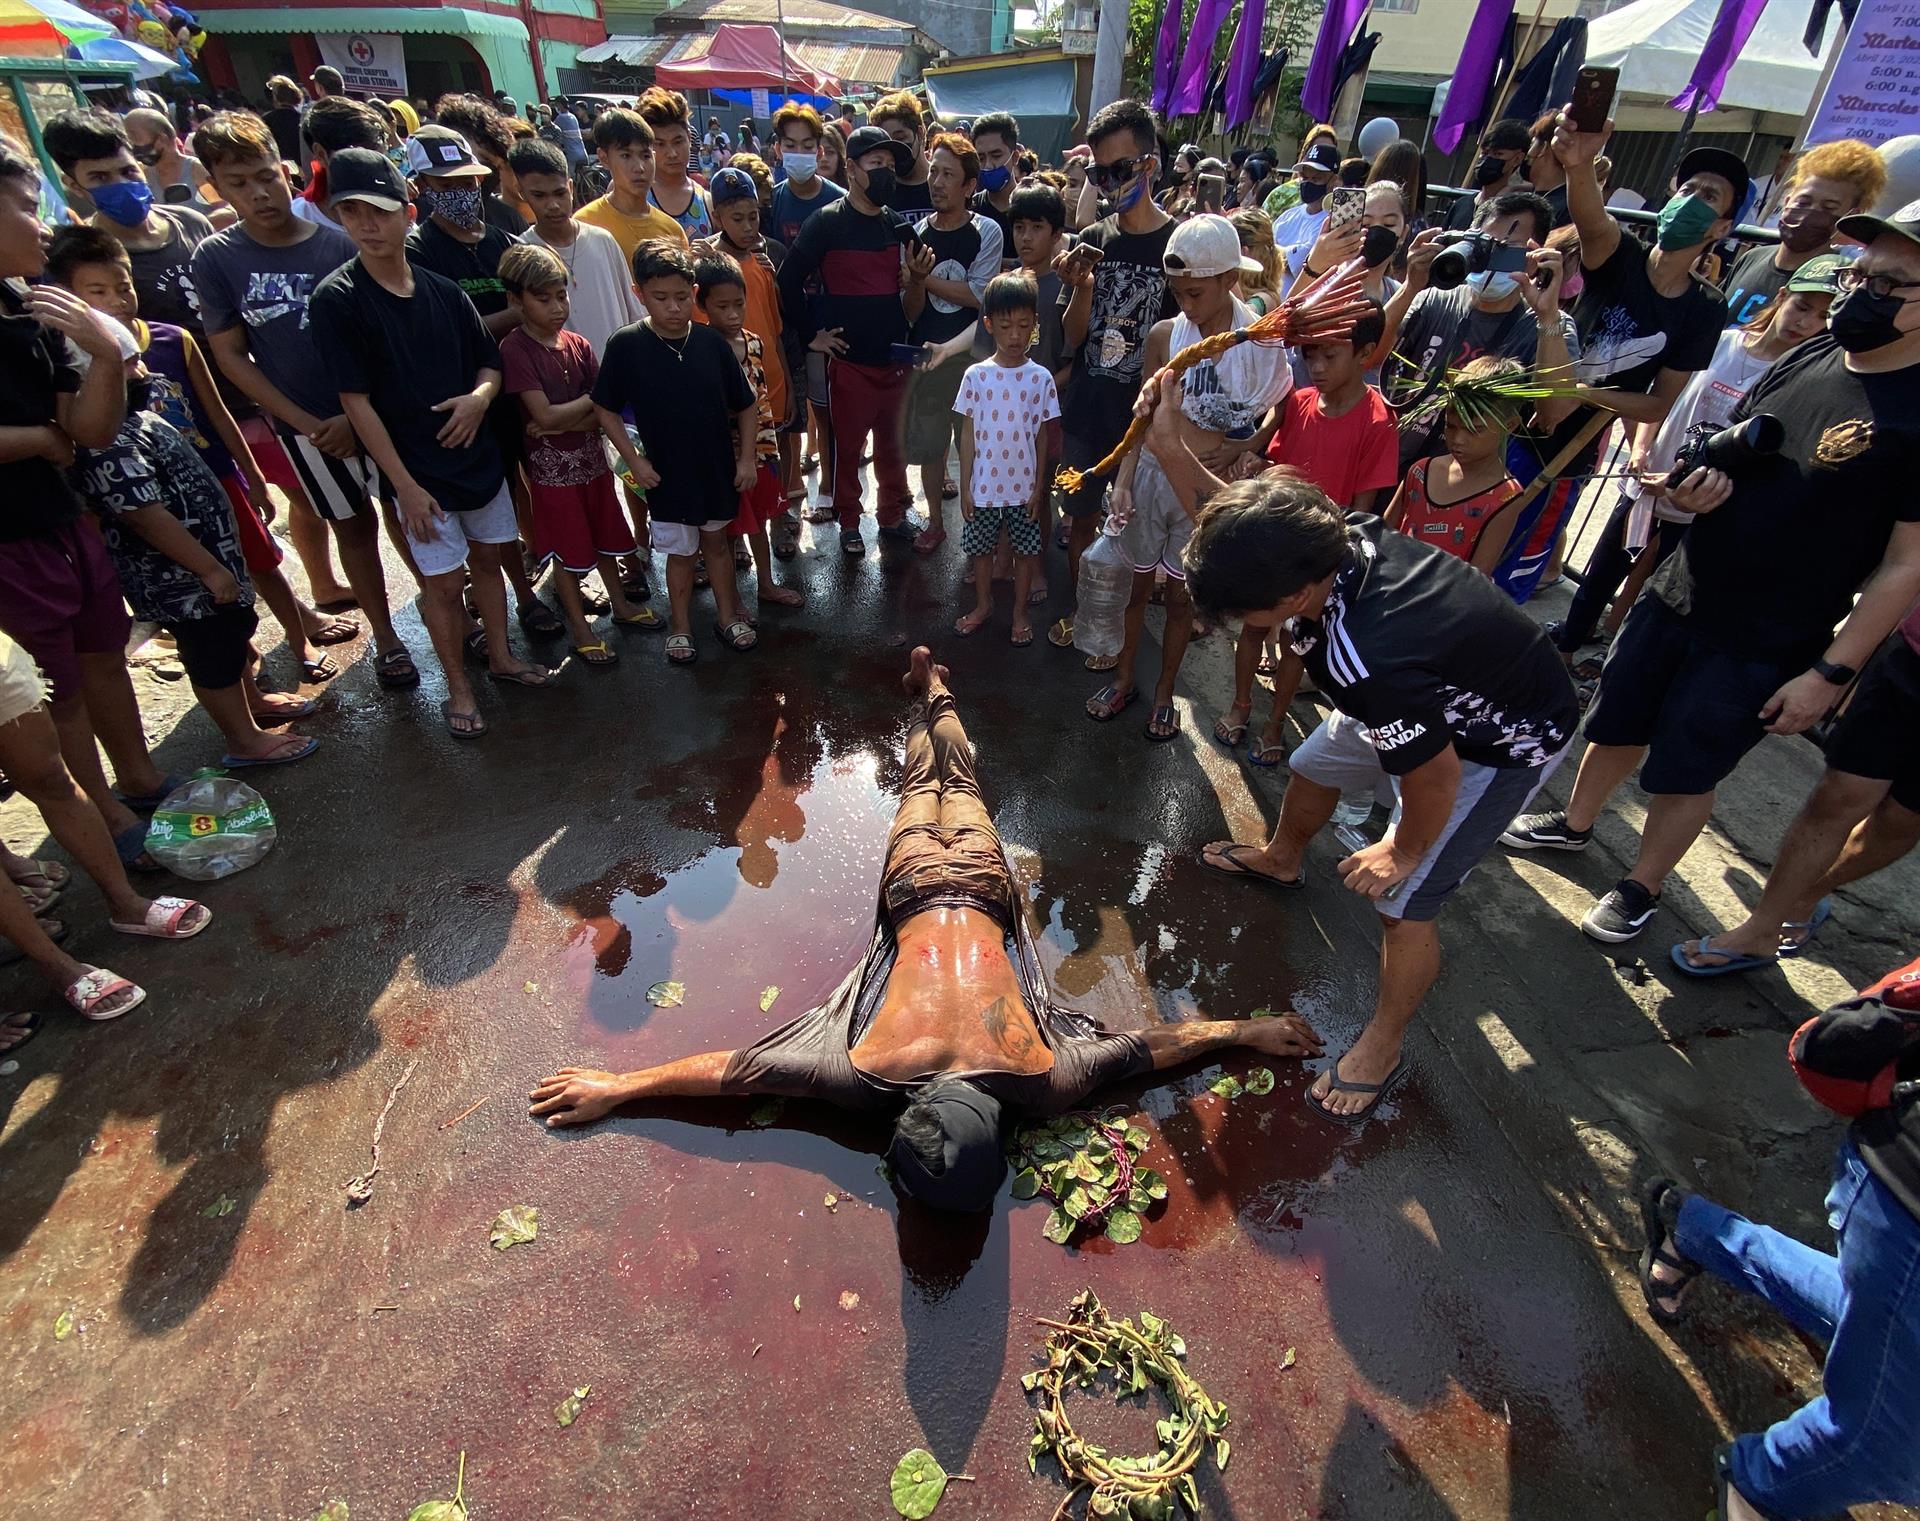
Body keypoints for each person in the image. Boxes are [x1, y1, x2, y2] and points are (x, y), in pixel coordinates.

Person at [529, 645, 1326, 1205]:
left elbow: (1152, 1049)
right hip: (922, 876)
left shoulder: (1041, 1077)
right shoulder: (866, 1075)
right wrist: (618, 1088)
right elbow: (736, 1071)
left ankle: (935, 695)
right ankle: (934, 692)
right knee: (930, 776)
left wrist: (1242, 1031)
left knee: (952, 774)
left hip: (971, 874)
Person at [1145, 387, 1579, 1124]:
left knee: (1404, 906)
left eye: (1243, 610)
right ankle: (1285, 857)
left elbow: (1436, 775)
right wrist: (1168, 447)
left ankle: (1383, 1039)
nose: (1233, 621)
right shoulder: (1321, 531)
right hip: (1421, 690)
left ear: (1291, 597)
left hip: (1495, 738)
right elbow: (1244, 535)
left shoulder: (1365, 655)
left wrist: (1402, 850)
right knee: (1315, 763)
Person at [1502, 203, 1920, 945]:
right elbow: (1741, 450)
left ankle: (1641, 886)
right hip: (1683, 581)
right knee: (1617, 717)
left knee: (1689, 763)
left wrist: (1832, 670)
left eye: (1890, 283)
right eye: (1860, 274)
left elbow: (1903, 566)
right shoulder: (1814, 354)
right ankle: (1572, 823)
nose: (1860, 292)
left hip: (1769, 632)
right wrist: (1692, 488)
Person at [1636, 959, 1920, 1518]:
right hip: (1908, 1188)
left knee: (1873, 1322)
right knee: (1888, 1446)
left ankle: (1692, 1229)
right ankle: (1758, 1485)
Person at [0, 135, 198, 870]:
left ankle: (137, 776)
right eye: (26, 207)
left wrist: (107, 353)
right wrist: (37, 441)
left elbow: (87, 428)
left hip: (62, 516)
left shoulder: (30, 308)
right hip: (11, 539)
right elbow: (55, 434)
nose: (43, 224)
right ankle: (104, 812)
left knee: (103, 654)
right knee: (58, 689)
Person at [310, 147, 554, 739]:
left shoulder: (445, 290)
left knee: (492, 561)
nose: (368, 224)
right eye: (353, 212)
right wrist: (404, 487)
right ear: (340, 217)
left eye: (380, 210)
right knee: (443, 586)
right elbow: (355, 403)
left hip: (477, 457)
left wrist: (478, 399)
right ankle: (459, 686)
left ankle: (500, 657)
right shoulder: (337, 300)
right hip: (415, 468)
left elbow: (489, 366)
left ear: (405, 212)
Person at [48, 225, 352, 692]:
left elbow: (216, 412)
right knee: (200, 589)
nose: (117, 300)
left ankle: (299, 639)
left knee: (261, 561)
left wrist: (249, 471)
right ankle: (245, 669)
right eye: (97, 291)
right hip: (153, 501)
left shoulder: (172, 339)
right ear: (71, 299)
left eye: (123, 285)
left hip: (214, 478)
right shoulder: (75, 364)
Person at [191, 111, 418, 690]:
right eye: (238, 181)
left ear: (285, 169)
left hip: (377, 413)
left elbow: (382, 337)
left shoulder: (341, 243)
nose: (258, 191)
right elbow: (232, 356)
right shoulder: (217, 258)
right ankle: (387, 639)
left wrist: (357, 413)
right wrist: (311, 423)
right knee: (352, 525)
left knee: (406, 512)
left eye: (265, 175)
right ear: (214, 182)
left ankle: (445, 610)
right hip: (307, 430)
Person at [1550, 256, 1841, 665]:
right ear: (1782, 297)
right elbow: (1660, 403)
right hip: (1646, 481)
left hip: (1699, 508)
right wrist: (1640, 451)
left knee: (1657, 590)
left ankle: (1614, 663)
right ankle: (1565, 648)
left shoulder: (1797, 380)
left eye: (1824, 316)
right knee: (1602, 571)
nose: (1806, 323)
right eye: (1802, 306)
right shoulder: (1720, 342)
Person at [1503, 123, 1736, 604]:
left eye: (1708, 197)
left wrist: (1580, 393)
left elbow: (1656, 405)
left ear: (1722, 228)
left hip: (1570, 455)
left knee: (1514, 567)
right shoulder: (1621, 254)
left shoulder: (1706, 308)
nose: (1690, 200)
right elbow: (1591, 219)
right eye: (1686, 188)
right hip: (1516, 424)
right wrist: (1580, 163)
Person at [75, 331, 319, 769]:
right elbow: (144, 514)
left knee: (230, 637)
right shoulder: (107, 442)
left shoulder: (136, 419)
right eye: (128, 366)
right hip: (181, 580)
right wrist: (208, 569)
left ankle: (252, 704)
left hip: (209, 565)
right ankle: (244, 740)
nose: (143, 371)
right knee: (211, 653)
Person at [1094, 215, 1290, 743]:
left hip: (1206, 489)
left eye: (1196, 293)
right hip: (1154, 478)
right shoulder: (1165, 336)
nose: (1186, 305)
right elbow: (1141, 419)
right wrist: (1124, 480)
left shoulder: (1262, 344)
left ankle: (1164, 695)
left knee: (1181, 599)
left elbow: (1276, 414)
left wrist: (1241, 450)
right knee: (1135, 590)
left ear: (1230, 280)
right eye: (1178, 293)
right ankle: (1124, 679)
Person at [1670, 597, 1920, 977]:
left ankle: (1810, 893)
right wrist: (1844, 667)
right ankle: (1762, 929)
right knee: (1840, 793)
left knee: (1901, 819)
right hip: (1911, 662)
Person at [1218, 301, 1399, 767]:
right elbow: (1276, 463)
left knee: (1296, 643)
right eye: (1310, 355)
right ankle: (1241, 702)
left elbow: (1362, 513)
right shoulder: (1297, 403)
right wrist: (1255, 463)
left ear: (1365, 354)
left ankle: (1275, 720)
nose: (1315, 368)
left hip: (1321, 561)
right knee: (1254, 626)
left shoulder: (1378, 420)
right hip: (1275, 543)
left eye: (1329, 357)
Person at [593, 239, 760, 666]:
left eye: (683, 297)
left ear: (695, 294)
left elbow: (745, 404)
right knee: (680, 554)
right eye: (661, 298)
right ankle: (681, 626)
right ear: (639, 294)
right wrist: (633, 460)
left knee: (718, 545)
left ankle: (727, 617)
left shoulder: (711, 344)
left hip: (716, 470)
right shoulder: (626, 345)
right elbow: (605, 408)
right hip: (665, 477)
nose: (673, 307)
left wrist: (744, 461)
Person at [1051, 99, 1179, 654]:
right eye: (1099, 172)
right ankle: (1084, 616)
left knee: (1135, 534)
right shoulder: (1094, 238)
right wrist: (1080, 286)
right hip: (1087, 408)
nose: (1108, 184)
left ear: (1149, 165)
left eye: (1120, 169)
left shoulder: (1179, 248)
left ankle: (1123, 638)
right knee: (1080, 522)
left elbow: (1189, 343)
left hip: (1148, 422)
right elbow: (1072, 338)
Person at [776, 124, 933, 558]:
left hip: (895, 362)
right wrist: (812, 336)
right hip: (848, 367)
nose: (885, 172)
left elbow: (916, 304)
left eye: (890, 165)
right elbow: (786, 282)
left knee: (892, 447)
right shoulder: (825, 223)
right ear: (851, 169)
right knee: (847, 449)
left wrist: (916, 280)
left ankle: (892, 515)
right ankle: (849, 520)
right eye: (876, 164)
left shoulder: (899, 228)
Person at [495, 242, 650, 668]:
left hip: (592, 465)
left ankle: (620, 605)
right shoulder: (515, 349)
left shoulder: (578, 343)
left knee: (604, 536)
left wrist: (564, 419)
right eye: (542, 298)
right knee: (564, 552)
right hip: (551, 476)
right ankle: (581, 631)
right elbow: (548, 412)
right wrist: (582, 409)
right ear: (515, 300)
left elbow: (604, 406)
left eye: (561, 295)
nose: (556, 306)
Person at [1378, 191, 1577, 475]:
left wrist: (1548, 317)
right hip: (1391, 466)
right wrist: (1411, 286)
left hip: (1460, 487)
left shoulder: (1550, 326)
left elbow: (1554, 413)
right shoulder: (1435, 297)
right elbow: (1369, 355)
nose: (1491, 259)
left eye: (1508, 249)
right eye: (1484, 246)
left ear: (1535, 256)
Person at [693, 166, 801, 563]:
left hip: (769, 382)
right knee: (735, 461)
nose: (747, 225)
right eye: (736, 218)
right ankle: (737, 537)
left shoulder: (762, 262)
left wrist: (787, 383)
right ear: (717, 216)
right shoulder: (704, 268)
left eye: (753, 215)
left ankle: (779, 520)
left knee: (772, 458)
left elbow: (775, 331)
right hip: (728, 392)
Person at [903, 133, 1002, 556]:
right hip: (927, 359)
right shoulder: (918, 234)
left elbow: (981, 294)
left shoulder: (988, 232)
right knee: (930, 447)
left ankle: (979, 528)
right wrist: (915, 283)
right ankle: (936, 522)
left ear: (969, 185)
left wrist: (923, 277)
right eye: (935, 171)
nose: (937, 182)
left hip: (974, 361)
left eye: (949, 175)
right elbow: (910, 308)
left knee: (978, 447)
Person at [693, 250, 805, 617]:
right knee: (726, 530)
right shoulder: (702, 347)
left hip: (761, 450)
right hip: (724, 457)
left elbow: (760, 396)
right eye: (721, 306)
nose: (732, 314)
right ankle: (733, 600)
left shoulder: (755, 341)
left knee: (760, 520)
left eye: (738, 304)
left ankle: (767, 585)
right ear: (702, 304)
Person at [41, 110, 217, 339]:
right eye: (100, 177)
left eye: (128, 171)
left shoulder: (192, 223)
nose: (122, 184)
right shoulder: (84, 258)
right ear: (74, 186)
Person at [951, 273, 1058, 644]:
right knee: (981, 552)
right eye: (1005, 325)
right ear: (989, 325)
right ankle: (983, 605)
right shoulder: (975, 376)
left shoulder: (1041, 378)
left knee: (1026, 554)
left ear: (1035, 325)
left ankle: (1019, 612)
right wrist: (966, 486)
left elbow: (1042, 435)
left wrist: (1038, 488)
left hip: (1023, 488)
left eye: (1024, 325)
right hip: (983, 487)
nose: (1015, 335)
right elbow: (967, 434)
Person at [769, 104, 847, 521]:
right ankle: (785, 497)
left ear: (821, 150)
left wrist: (821, 330)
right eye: (790, 144)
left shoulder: (838, 200)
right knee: (789, 414)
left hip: (827, 323)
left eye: (807, 145)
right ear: (778, 149)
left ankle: (830, 490)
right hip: (788, 324)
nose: (799, 152)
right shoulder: (773, 201)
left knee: (826, 409)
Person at [1380, 355, 1525, 575]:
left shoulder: (1504, 497)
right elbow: (1382, 535)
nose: (1458, 439)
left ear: (1510, 425)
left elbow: (1478, 576)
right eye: (1451, 426)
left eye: (1474, 430)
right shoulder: (1421, 472)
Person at [1721, 139, 1884, 325]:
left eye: (1829, 207)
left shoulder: (1839, 284)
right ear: (1787, 200)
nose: (1810, 213)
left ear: (1850, 217)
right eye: (1803, 202)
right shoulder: (1752, 257)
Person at [508, 137, 642, 356]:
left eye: (560, 193)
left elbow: (635, 313)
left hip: (622, 378)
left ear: (570, 187)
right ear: (521, 192)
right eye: (539, 196)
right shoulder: (521, 252)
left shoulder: (603, 240)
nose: (553, 205)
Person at [575, 107, 688, 269]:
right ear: (604, 158)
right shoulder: (584, 225)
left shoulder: (672, 230)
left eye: (646, 156)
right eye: (626, 156)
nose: (640, 167)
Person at [431, 94, 528, 236]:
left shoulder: (509, 220)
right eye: (482, 160)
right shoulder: (413, 220)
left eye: (497, 166)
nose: (488, 174)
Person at [293, 96, 392, 227]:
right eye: (357, 161)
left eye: (378, 161)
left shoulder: (396, 213)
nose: (370, 172)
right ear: (321, 155)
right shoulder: (295, 220)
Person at [637, 87, 714, 238]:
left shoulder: (706, 201)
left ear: (689, 138)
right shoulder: (634, 194)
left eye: (678, 142)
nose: (672, 153)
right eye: (660, 144)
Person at [1443, 119, 1533, 232]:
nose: (1487, 160)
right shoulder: (1460, 205)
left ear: (1517, 159)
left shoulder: (1518, 213)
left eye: (1498, 154)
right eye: (1484, 153)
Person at [1272, 142, 1339, 293]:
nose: (1308, 183)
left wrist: (1271, 250)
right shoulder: (1288, 216)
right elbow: (1261, 253)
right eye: (1305, 177)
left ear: (1333, 180)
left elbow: (1299, 263)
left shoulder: (1331, 222)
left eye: (1316, 179)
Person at [123, 107, 215, 214]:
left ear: (162, 139)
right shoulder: (143, 176)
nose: (132, 145)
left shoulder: (195, 170)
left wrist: (192, 226)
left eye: (135, 138)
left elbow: (224, 210)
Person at [869, 91, 933, 214]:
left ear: (919, 133)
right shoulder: (880, 192)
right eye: (887, 141)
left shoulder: (942, 183)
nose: (895, 147)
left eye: (900, 138)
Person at [969, 111, 1021, 251]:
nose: (988, 165)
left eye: (996, 156)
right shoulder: (970, 210)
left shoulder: (1031, 207)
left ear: (1015, 157)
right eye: (981, 158)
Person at [1264, 123, 1338, 218]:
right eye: (1315, 149)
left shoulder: (1338, 203)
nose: (1321, 154)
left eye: (1327, 151)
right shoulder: (1280, 195)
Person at [261, 75, 305, 171]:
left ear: (273, 96)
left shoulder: (266, 121)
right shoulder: (303, 118)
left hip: (282, 172)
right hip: (307, 169)